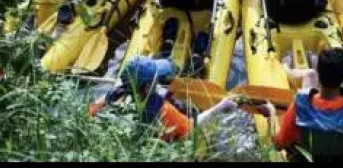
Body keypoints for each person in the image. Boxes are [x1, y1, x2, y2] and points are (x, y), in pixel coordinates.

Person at [89, 56, 238, 140]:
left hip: (129, 133)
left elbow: (92, 111)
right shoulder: (163, 111)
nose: (158, 79)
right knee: (186, 109)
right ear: (147, 87)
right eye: (156, 78)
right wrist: (219, 108)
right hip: (163, 134)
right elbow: (190, 129)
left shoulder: (116, 94)